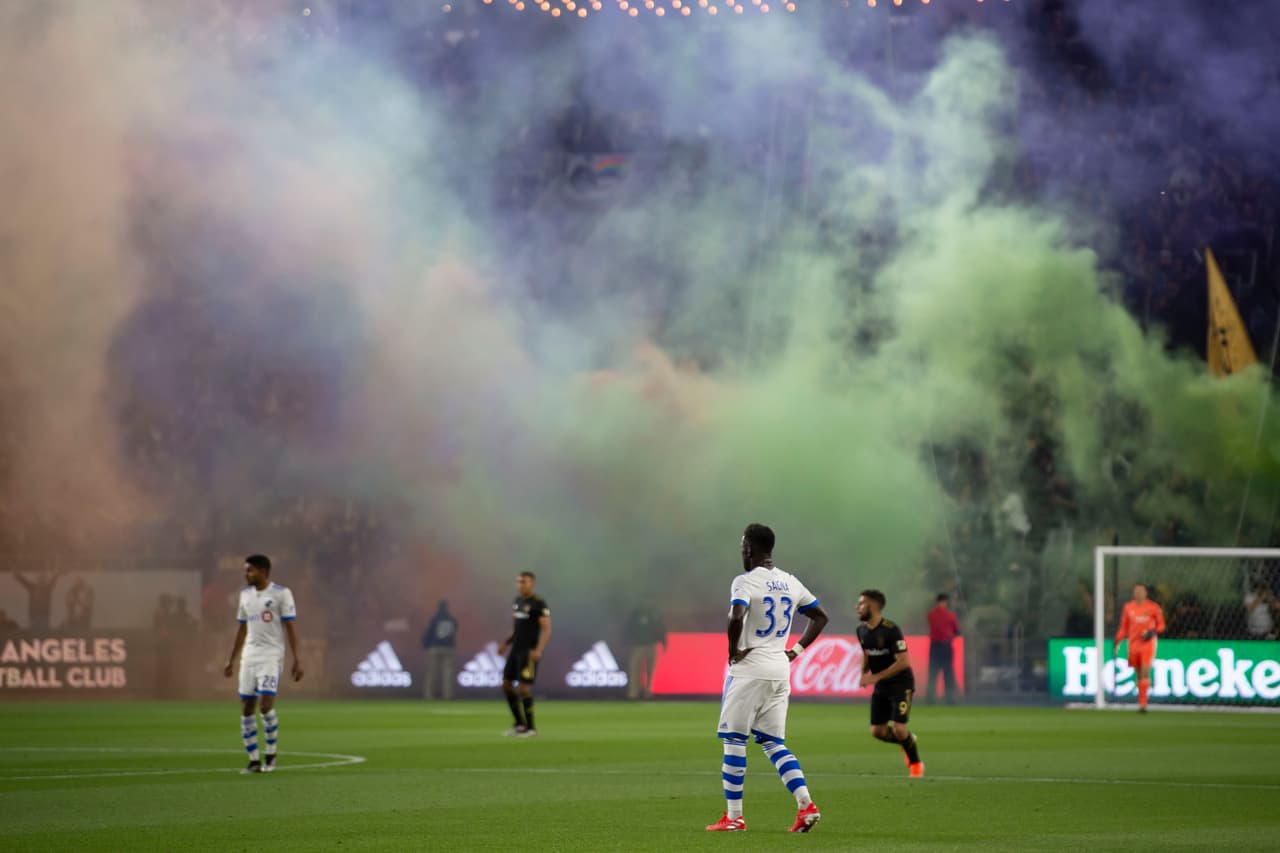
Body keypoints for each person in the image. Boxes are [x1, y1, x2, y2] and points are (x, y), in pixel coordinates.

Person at [706, 523, 829, 834]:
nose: (741, 552)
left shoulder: (745, 581)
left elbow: (736, 615)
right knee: (774, 744)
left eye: (742, 547)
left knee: (734, 741)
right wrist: (796, 651)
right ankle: (806, 805)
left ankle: (734, 817)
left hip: (749, 669)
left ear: (749, 548)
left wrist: (733, 651)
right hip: (779, 669)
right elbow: (820, 616)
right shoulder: (790, 581)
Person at [223, 555, 303, 773]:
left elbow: (291, 628)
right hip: (249, 656)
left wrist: (297, 660)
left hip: (271, 656)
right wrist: (231, 660)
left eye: (250, 570)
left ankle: (271, 754)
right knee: (246, 708)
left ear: (263, 571)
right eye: (245, 570)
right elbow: (242, 628)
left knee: (265, 706)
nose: (246, 574)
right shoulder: (245, 595)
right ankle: (253, 760)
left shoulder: (281, 593)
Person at [856, 589, 925, 777]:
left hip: (901, 684)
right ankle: (908, 741)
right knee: (877, 731)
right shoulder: (861, 630)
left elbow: (904, 661)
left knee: (899, 728)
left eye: (861, 603)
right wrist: (863, 673)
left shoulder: (891, 630)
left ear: (872, 606)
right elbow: (867, 653)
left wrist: (875, 677)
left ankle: (915, 765)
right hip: (882, 686)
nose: (857, 607)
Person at [498, 571, 550, 737]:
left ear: (532, 584)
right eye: (519, 582)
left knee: (523, 687)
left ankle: (531, 728)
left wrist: (539, 650)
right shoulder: (518, 602)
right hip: (515, 650)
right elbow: (517, 628)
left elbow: (546, 629)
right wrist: (505, 643)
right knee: (506, 684)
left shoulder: (538, 603)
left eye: (524, 582)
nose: (520, 585)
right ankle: (519, 724)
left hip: (529, 651)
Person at [1112, 582, 1165, 713]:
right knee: (1139, 673)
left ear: (1145, 593)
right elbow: (1124, 626)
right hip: (1133, 644)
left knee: (1145, 670)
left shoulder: (1153, 607)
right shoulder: (1128, 607)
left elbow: (1161, 626)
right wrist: (1118, 640)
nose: (1138, 593)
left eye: (1141, 591)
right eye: (1136, 591)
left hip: (1147, 644)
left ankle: (1143, 704)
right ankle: (1141, 701)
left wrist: (1151, 632)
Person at [623, 602, 666, 700]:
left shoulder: (653, 614)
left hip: (650, 645)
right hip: (638, 646)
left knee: (650, 672)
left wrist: (664, 641)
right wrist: (627, 642)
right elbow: (628, 629)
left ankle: (647, 692)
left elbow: (659, 628)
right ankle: (633, 693)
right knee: (635, 671)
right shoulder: (635, 615)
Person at [926, 593, 961, 704]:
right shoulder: (950, 615)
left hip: (935, 646)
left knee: (933, 673)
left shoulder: (931, 615)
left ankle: (930, 698)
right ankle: (949, 698)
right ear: (945, 602)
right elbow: (956, 630)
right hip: (945, 646)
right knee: (948, 673)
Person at [422, 599, 458, 700]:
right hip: (448, 647)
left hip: (435, 647)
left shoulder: (435, 618)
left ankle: (429, 695)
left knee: (432, 672)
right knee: (448, 673)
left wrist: (426, 644)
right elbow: (455, 630)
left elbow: (429, 632)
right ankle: (448, 695)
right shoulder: (451, 619)